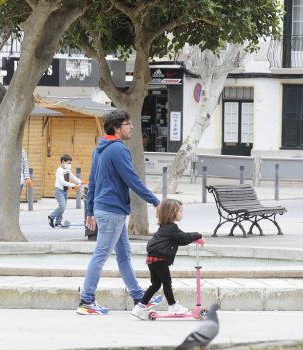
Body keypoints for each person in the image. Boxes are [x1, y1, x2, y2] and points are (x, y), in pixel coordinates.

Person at [77, 110, 162, 315]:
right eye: (127, 123)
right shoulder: (118, 149)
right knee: (101, 254)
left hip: (105, 209)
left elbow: (93, 182)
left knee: (123, 255)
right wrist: (155, 201)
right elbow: (132, 179)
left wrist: (90, 211)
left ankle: (139, 298)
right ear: (116, 127)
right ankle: (86, 300)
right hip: (112, 211)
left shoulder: (100, 148)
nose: (131, 127)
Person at [131, 198, 204, 320]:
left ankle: (140, 307)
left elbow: (179, 240)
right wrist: (198, 235)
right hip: (160, 259)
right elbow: (183, 237)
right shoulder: (171, 228)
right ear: (172, 213)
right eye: (180, 211)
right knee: (166, 282)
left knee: (155, 284)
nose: (182, 214)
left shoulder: (165, 227)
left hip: (152, 258)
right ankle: (173, 305)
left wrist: (192, 239)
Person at [48, 154, 82, 228]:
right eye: (68, 163)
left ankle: (58, 223)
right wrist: (73, 185)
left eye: (70, 163)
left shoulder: (67, 170)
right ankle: (51, 216)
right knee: (62, 206)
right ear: (63, 162)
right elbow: (62, 182)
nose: (70, 165)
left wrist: (80, 181)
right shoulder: (59, 171)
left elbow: (72, 176)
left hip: (65, 190)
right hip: (59, 190)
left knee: (63, 208)